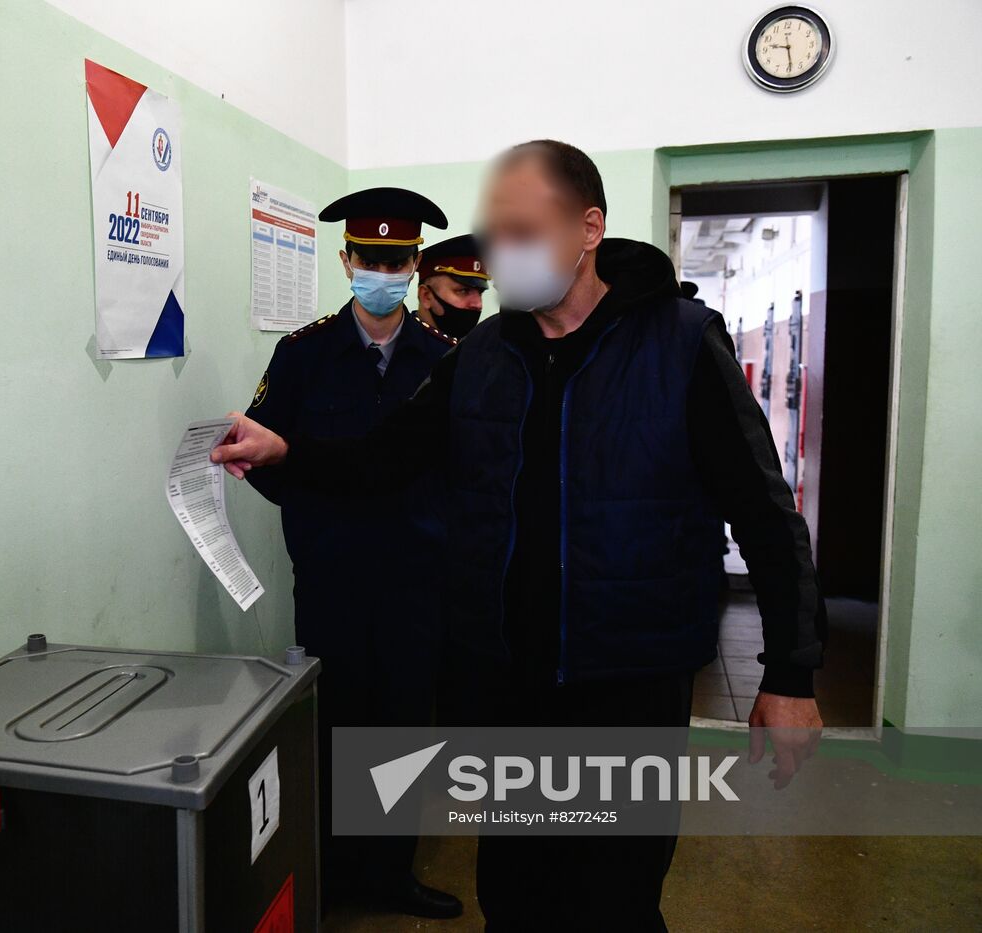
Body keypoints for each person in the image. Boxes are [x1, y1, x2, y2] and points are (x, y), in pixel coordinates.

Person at [213, 141, 826, 931]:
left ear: (588, 228)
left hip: (627, 684)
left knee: (614, 902)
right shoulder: (483, 356)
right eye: (496, 234)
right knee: (513, 893)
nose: (504, 255)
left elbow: (765, 510)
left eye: (525, 231)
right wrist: (287, 451)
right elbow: (382, 458)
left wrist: (791, 673)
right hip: (507, 685)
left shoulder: (678, 343)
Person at [243, 186, 463, 919]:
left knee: (402, 726)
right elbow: (265, 455)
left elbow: (463, 471)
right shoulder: (302, 355)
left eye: (397, 261)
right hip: (332, 578)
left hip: (415, 581)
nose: (383, 272)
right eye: (370, 258)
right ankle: (334, 874)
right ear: (345, 261)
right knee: (336, 725)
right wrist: (316, 521)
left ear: (415, 265)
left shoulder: (445, 359)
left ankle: (390, 873)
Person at [415, 233, 489, 339]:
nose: (478, 304)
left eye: (480, 293)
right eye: (464, 291)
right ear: (426, 296)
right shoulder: (401, 345)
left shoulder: (481, 346)